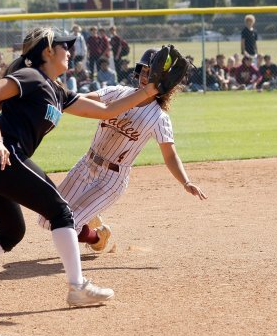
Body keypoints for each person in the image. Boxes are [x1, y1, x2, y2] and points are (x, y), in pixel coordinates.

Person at [0, 27, 171, 307]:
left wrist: (150, 91)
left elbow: (108, 111)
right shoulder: (31, 76)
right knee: (61, 211)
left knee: (12, 231)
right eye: (65, 47)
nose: (70, 52)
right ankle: (78, 287)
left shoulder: (57, 92)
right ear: (48, 51)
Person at [38, 48, 207, 252]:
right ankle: (91, 218)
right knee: (46, 219)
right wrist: (55, 92)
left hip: (112, 179)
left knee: (66, 226)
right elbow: (81, 99)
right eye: (145, 71)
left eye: (152, 73)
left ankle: (97, 238)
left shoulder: (159, 118)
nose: (147, 77)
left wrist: (185, 181)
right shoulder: (117, 93)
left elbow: (170, 155)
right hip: (86, 164)